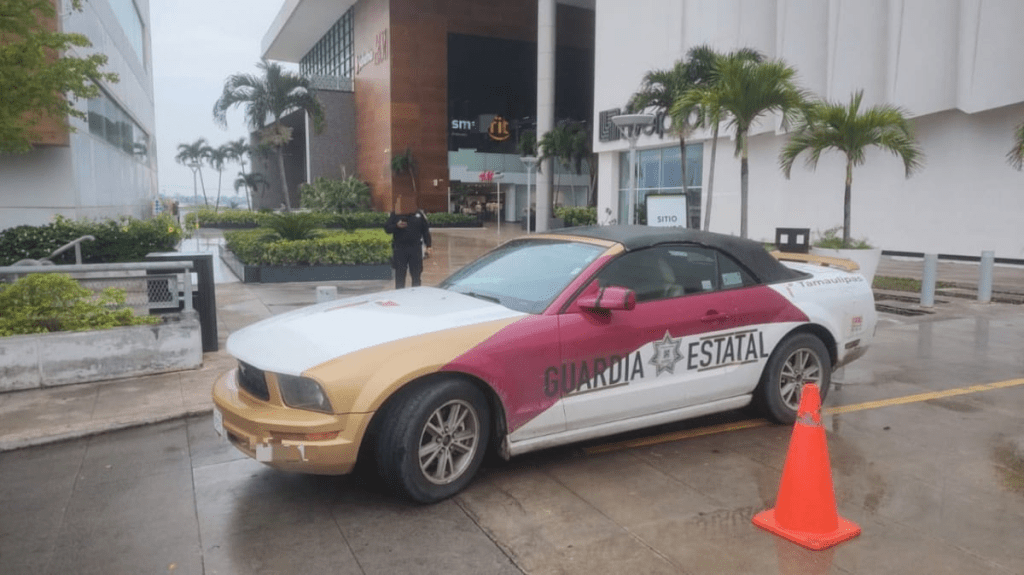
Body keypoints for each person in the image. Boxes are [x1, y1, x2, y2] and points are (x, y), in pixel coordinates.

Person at [384, 197, 432, 288]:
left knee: (416, 274)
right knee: (400, 274)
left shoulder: (419, 214)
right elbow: (387, 228)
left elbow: (425, 231)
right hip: (400, 248)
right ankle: (400, 293)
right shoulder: (396, 214)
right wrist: (397, 226)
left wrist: (429, 246)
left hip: (415, 249)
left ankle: (415, 293)